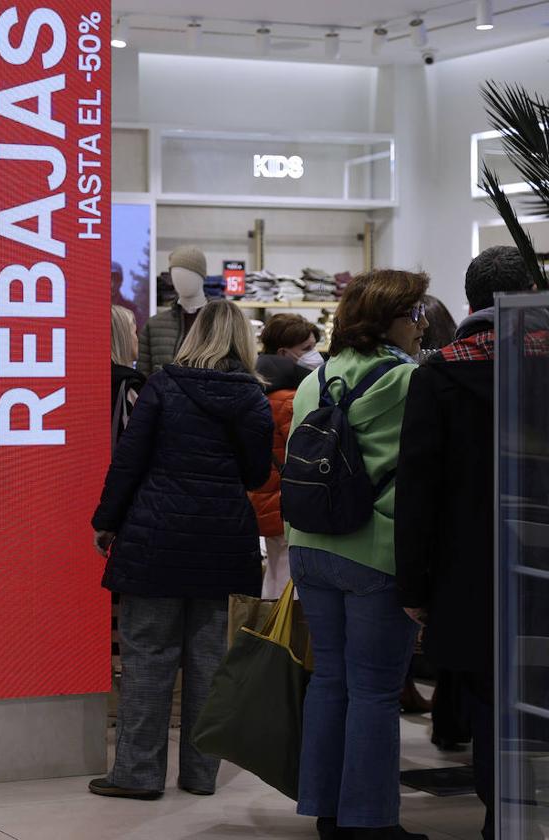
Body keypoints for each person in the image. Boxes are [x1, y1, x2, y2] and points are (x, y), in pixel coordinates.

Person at [90, 299, 273, 801]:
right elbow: (257, 475)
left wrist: (106, 522)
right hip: (224, 545)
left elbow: (129, 460)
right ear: (243, 340)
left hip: (156, 539)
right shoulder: (254, 398)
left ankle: (137, 774)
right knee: (210, 664)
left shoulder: (163, 386)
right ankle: (200, 774)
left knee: (148, 657)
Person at [396, 246, 539, 840]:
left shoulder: (438, 375)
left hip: (468, 567)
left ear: (471, 300)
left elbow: (418, 489)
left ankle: (500, 817)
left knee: (489, 701)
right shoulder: (540, 365)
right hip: (540, 559)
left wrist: (414, 586)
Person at [285, 269, 431, 840]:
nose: (421, 326)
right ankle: (369, 821)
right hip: (375, 551)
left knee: (331, 682)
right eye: (415, 313)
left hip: (310, 548)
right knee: (373, 689)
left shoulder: (313, 381)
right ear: (389, 319)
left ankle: (327, 810)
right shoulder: (411, 382)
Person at [250, 314, 322, 599]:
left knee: (275, 574)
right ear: (283, 353)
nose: (314, 355)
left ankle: (268, 638)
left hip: (263, 498)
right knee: (289, 583)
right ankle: (282, 640)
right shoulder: (291, 398)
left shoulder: (256, 390)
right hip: (286, 501)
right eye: (306, 349)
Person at [110, 305, 144, 445]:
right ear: (123, 337)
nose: (137, 339)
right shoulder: (129, 386)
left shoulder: (91, 381)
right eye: (134, 332)